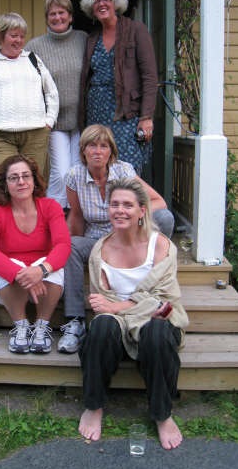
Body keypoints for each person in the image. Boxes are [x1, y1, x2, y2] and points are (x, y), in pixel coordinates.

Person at [78, 177, 189, 449]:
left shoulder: (161, 245)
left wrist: (118, 307)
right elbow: (100, 302)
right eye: (114, 204)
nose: (120, 210)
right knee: (101, 327)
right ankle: (94, 406)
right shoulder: (100, 250)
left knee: (157, 331)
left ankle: (162, 414)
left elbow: (164, 300)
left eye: (127, 205)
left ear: (142, 210)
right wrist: (121, 309)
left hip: (155, 321)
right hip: (118, 325)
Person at [57, 124, 174, 354]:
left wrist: (130, 219)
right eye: (92, 145)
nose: (98, 151)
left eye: (104, 146)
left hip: (129, 240)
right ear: (83, 150)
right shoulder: (74, 176)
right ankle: (75, 322)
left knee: (165, 218)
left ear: (111, 151)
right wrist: (69, 254)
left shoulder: (124, 171)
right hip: (97, 244)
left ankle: (153, 275)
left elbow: (158, 202)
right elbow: (77, 216)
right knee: (70, 246)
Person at [0, 155, 71, 354]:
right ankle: (20, 326)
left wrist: (40, 270)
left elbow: (63, 245)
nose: (21, 181)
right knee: (8, 263)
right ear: (5, 184)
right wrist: (22, 273)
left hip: (46, 282)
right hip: (7, 285)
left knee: (51, 264)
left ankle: (41, 327)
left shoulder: (50, 206)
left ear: (34, 180)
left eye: (26, 176)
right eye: (14, 178)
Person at [0, 12, 59, 178]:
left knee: (34, 183)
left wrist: (49, 121)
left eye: (22, 36)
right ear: (1, 36)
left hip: (35, 134)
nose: (19, 40)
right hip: (1, 137)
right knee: (4, 184)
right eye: (14, 36)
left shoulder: (33, 59)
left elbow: (51, 92)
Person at [79, 0, 158, 173]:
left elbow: (149, 76)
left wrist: (146, 117)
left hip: (126, 113)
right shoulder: (92, 38)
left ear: (116, 3)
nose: (101, 4)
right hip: (96, 112)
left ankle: (128, 195)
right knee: (99, 165)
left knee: (127, 166)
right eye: (96, 1)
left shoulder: (135, 30)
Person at [26, 0, 87, 209]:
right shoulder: (35, 46)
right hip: (54, 120)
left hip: (82, 120)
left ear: (70, 16)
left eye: (62, 12)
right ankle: (55, 214)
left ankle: (77, 216)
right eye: (52, 14)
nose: (57, 17)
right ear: (46, 18)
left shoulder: (83, 40)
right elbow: (17, 67)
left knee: (78, 171)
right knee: (61, 173)